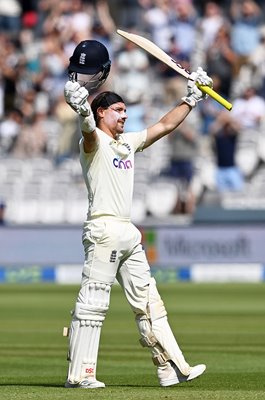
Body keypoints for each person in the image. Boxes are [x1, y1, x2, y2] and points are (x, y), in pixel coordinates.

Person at [63, 39, 213, 389]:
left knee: (149, 302)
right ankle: (80, 376)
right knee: (92, 306)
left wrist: (191, 98)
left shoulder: (126, 143)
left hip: (127, 232)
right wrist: (82, 110)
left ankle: (171, 368)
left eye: (126, 110)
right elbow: (87, 132)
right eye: (118, 110)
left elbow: (163, 126)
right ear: (102, 113)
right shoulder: (94, 142)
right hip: (102, 230)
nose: (125, 114)